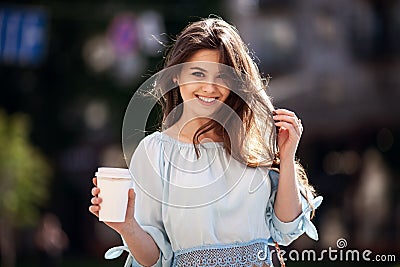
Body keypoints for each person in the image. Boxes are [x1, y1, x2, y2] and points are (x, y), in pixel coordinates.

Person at [89, 17, 322, 267]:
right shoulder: (154, 152)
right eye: (198, 73)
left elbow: (286, 228)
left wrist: (287, 158)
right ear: (176, 76)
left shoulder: (254, 141)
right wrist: (127, 227)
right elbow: (154, 260)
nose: (209, 87)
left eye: (222, 76)